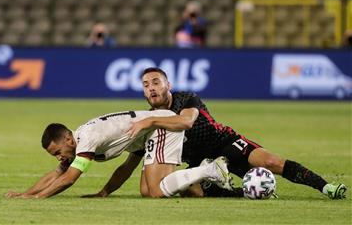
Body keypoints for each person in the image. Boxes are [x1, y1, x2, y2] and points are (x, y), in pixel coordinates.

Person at [126, 67, 347, 199]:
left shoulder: (186, 99)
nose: (151, 88)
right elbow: (133, 160)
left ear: (168, 85)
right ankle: (243, 194)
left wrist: (149, 120)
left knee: (270, 161)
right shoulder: (149, 123)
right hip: (200, 162)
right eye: (146, 85)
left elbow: (186, 121)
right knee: (190, 191)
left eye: (156, 82)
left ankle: (326, 187)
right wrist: (106, 190)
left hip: (226, 144)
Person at [5, 110, 232, 199]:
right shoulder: (80, 143)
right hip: (146, 135)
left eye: (57, 152)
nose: (59, 158)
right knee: (147, 192)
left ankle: (210, 169)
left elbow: (69, 178)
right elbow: (126, 167)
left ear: (67, 139)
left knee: (156, 192)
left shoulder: (88, 139)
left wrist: (37, 198)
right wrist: (24, 194)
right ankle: (199, 181)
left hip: (162, 125)